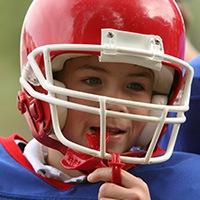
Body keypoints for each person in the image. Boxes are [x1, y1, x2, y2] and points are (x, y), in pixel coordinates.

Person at [1, 0, 200, 199]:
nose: (114, 103)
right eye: (92, 80)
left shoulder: (186, 185)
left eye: (135, 86)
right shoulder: (6, 175)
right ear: (43, 86)